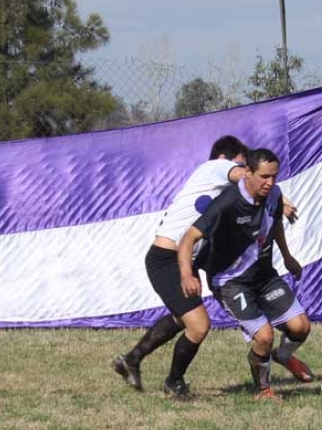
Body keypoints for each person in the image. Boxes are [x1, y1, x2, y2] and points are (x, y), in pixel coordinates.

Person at [112, 135, 297, 399]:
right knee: (198, 325)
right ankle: (173, 383)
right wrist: (282, 197)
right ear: (229, 159)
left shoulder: (224, 190)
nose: (246, 176)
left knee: (182, 317)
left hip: (184, 259)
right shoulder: (216, 167)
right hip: (167, 258)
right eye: (244, 166)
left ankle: (131, 359)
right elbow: (247, 175)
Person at [178, 148, 314, 402]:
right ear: (247, 173)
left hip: (264, 276)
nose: (270, 182)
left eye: (274, 176)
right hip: (231, 282)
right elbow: (189, 239)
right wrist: (187, 274)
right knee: (264, 336)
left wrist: (287, 256)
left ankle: (283, 356)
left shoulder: (274, 194)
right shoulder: (228, 203)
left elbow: (274, 225)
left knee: (301, 327)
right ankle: (263, 391)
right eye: (264, 176)